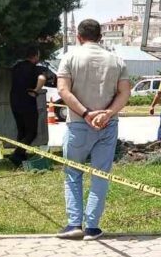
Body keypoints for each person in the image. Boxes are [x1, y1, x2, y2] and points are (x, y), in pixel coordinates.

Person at [55, 19, 131, 241]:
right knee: (100, 174)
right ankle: (92, 227)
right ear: (101, 37)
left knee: (73, 174)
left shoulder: (69, 58)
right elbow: (124, 92)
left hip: (79, 123)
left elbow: (63, 90)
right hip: (108, 124)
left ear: (78, 36)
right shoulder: (116, 60)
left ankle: (74, 224)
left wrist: (86, 113)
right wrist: (107, 113)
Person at [8, 46, 48, 167]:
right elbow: (42, 78)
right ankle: (17, 154)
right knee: (31, 132)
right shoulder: (34, 68)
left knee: (21, 130)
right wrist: (36, 90)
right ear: (35, 56)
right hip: (27, 100)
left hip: (14, 100)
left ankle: (21, 155)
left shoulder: (16, 67)